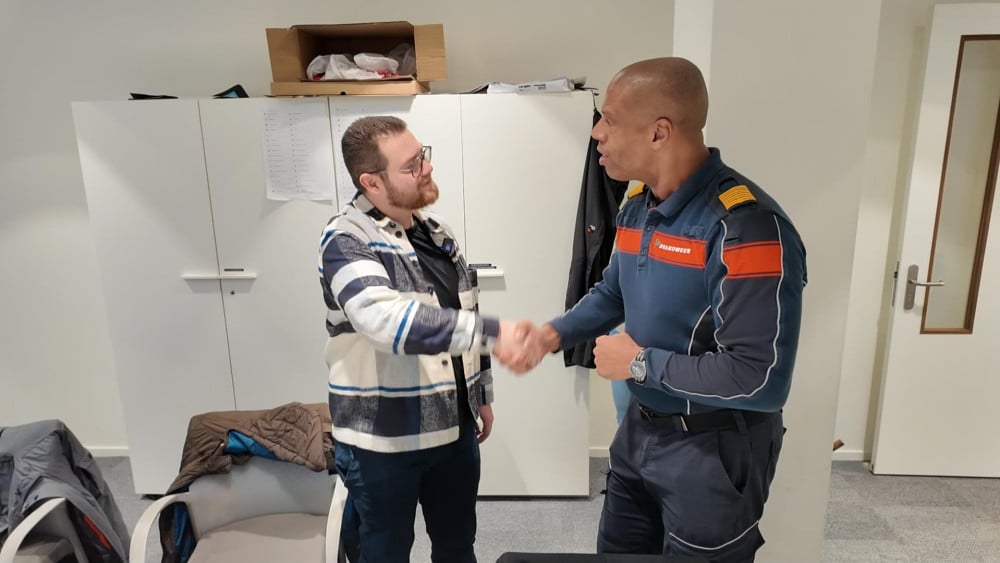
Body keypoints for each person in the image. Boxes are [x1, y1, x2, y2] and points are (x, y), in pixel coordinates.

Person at [508, 57, 808, 561]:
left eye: (609, 119)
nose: (597, 133)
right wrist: (552, 335)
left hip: (712, 449)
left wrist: (640, 364)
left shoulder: (746, 227)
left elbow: (760, 379)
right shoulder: (637, 208)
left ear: (659, 132)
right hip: (639, 432)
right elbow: (613, 294)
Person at [319, 116, 526, 563]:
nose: (427, 169)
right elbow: (385, 321)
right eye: (411, 165)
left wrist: (480, 396)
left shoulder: (438, 233)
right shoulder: (345, 239)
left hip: (453, 429)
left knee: (457, 546)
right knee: (385, 551)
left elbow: (465, 311)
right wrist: (494, 333)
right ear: (372, 182)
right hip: (382, 441)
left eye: (423, 156)